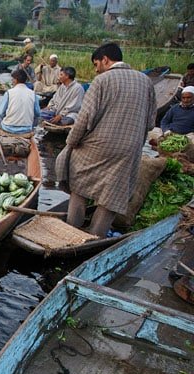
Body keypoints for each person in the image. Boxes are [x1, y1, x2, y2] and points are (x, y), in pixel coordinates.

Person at [64, 43, 155, 238]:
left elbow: (84, 119)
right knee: (112, 195)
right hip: (129, 150)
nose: (96, 69)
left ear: (105, 59)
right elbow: (150, 123)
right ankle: (96, 236)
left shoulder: (101, 80)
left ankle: (71, 232)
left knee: (79, 184)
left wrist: (71, 142)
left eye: (96, 64)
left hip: (98, 147)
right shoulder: (145, 81)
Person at [0, 68, 40, 134]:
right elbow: (37, 114)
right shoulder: (33, 94)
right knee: (38, 118)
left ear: (16, 80)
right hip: (27, 128)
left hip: (8, 128)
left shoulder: (9, 93)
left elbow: (1, 113)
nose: (12, 80)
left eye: (13, 79)